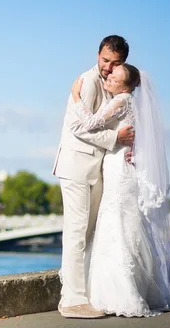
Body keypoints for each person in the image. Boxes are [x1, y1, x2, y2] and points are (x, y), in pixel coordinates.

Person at [69, 63, 170, 317]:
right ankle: (137, 288)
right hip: (123, 169)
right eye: (110, 76)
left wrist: (76, 96)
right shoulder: (132, 102)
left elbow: (90, 122)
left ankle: (119, 292)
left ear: (126, 87)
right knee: (127, 225)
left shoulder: (120, 101)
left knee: (116, 226)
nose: (109, 79)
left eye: (115, 79)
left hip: (118, 170)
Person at [52, 35, 134, 319]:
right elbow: (77, 126)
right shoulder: (87, 81)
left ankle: (80, 295)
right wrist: (116, 137)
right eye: (105, 61)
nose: (109, 68)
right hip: (76, 166)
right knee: (75, 234)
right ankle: (72, 301)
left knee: (87, 235)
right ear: (97, 55)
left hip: (95, 167)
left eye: (116, 63)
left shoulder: (114, 85)